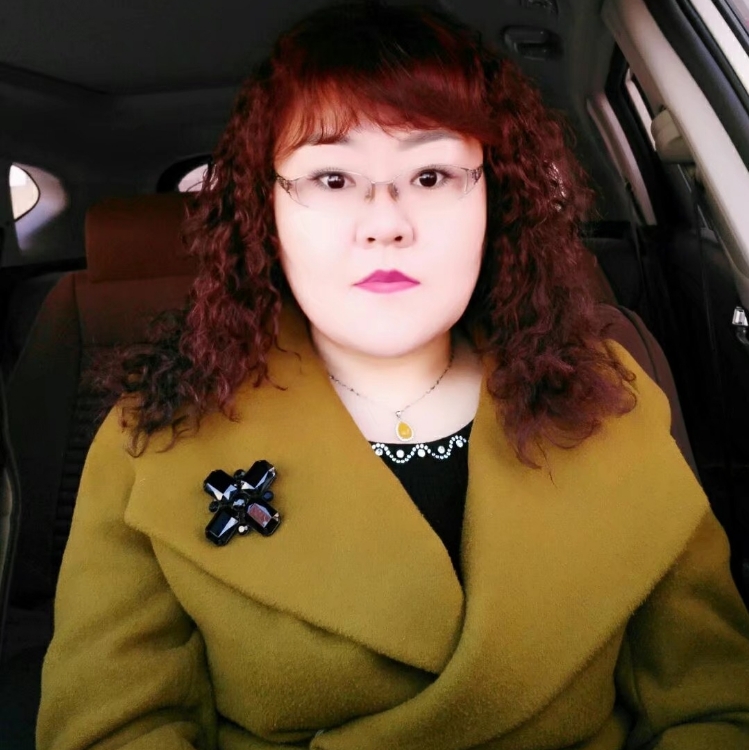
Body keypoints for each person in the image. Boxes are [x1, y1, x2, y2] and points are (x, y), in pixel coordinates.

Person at [36, 2, 749, 749]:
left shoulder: (609, 397)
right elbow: (117, 729)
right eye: (332, 177)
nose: (385, 223)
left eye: (431, 174)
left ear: (495, 200)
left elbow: (717, 705)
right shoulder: (154, 437)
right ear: (264, 211)